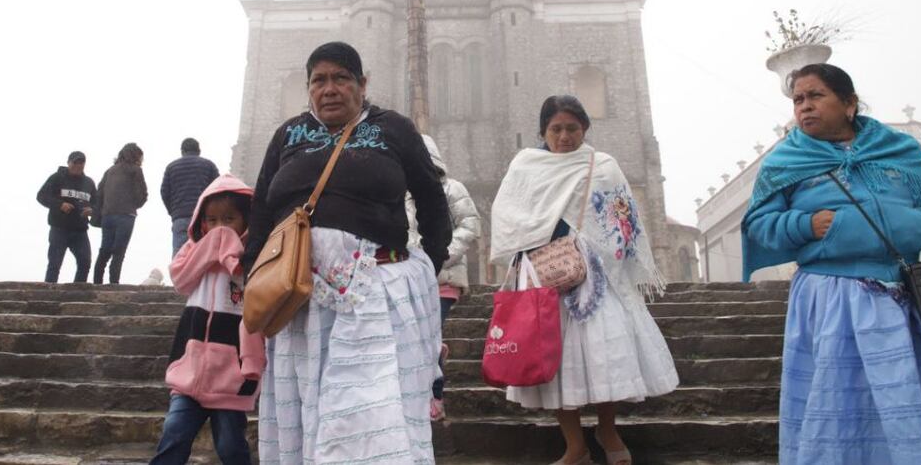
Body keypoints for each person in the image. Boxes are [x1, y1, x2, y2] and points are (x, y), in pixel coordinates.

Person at [242, 41, 452, 464]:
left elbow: (431, 198)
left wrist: (428, 262)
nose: (330, 88)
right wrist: (253, 274)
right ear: (308, 88)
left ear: (362, 84)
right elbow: (263, 206)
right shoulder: (288, 134)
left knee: (368, 411)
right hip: (298, 301)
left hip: (374, 296)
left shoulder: (393, 128)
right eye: (319, 80)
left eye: (341, 77)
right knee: (310, 407)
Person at [742, 63, 921, 465]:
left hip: (909, 298)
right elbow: (758, 225)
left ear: (849, 103)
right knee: (842, 406)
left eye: (815, 96)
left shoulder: (899, 150)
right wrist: (805, 223)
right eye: (798, 100)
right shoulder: (785, 161)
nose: (804, 107)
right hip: (833, 300)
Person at [491, 95, 679, 465]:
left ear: (585, 129)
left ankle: (607, 430)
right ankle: (574, 446)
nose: (564, 136)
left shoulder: (604, 166)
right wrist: (537, 239)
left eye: (572, 128)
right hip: (546, 278)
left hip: (598, 275)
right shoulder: (526, 166)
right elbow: (508, 213)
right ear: (543, 131)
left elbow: (623, 219)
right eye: (556, 129)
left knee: (606, 354)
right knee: (555, 363)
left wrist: (595, 245)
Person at [150, 173, 264, 465]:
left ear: (247, 221)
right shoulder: (193, 252)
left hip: (231, 376)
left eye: (228, 220)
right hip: (189, 373)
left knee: (231, 447)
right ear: (201, 222)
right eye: (211, 221)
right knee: (173, 436)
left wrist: (229, 248)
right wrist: (211, 247)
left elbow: (249, 279)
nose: (219, 229)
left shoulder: (253, 258)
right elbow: (180, 278)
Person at [406, 134, 482, 422]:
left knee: (428, 334)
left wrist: (442, 254)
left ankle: (435, 396)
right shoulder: (401, 194)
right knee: (420, 338)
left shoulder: (451, 189)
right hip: (412, 280)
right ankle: (436, 354)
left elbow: (470, 224)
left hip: (444, 278)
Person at [36, 151, 97, 283]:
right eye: (75, 162)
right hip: (59, 228)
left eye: (81, 163)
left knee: (85, 262)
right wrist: (59, 204)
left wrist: (92, 210)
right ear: (68, 162)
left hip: (80, 230)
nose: (78, 165)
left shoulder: (89, 183)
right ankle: (50, 293)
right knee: (54, 264)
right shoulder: (57, 178)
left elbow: (97, 203)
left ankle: (77, 293)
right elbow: (41, 196)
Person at [94, 142, 148, 284]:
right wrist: (134, 204)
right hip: (125, 215)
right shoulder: (135, 170)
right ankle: (113, 284)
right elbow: (142, 194)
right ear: (136, 155)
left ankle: (97, 283)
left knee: (104, 250)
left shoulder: (109, 171)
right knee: (119, 252)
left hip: (107, 215)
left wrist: (99, 213)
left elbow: (99, 193)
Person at [161, 137, 220, 256]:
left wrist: (174, 212)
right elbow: (218, 189)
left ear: (182, 151)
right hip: (202, 217)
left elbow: (164, 192)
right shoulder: (209, 165)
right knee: (202, 255)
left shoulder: (171, 167)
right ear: (198, 150)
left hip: (180, 218)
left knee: (179, 256)